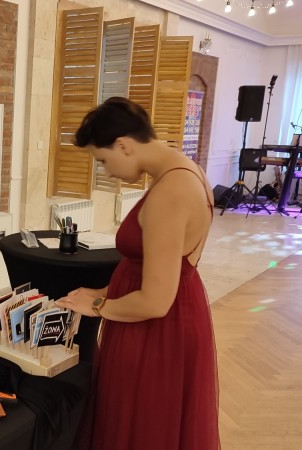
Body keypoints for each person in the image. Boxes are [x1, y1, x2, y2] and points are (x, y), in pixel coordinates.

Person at [55, 97, 220, 449]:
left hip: (156, 332)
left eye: (103, 160)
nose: (107, 172)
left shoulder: (171, 191)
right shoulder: (182, 172)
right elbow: (154, 268)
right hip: (160, 321)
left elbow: (155, 301)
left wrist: (97, 306)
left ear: (124, 145)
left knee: (140, 428)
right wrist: (103, 291)